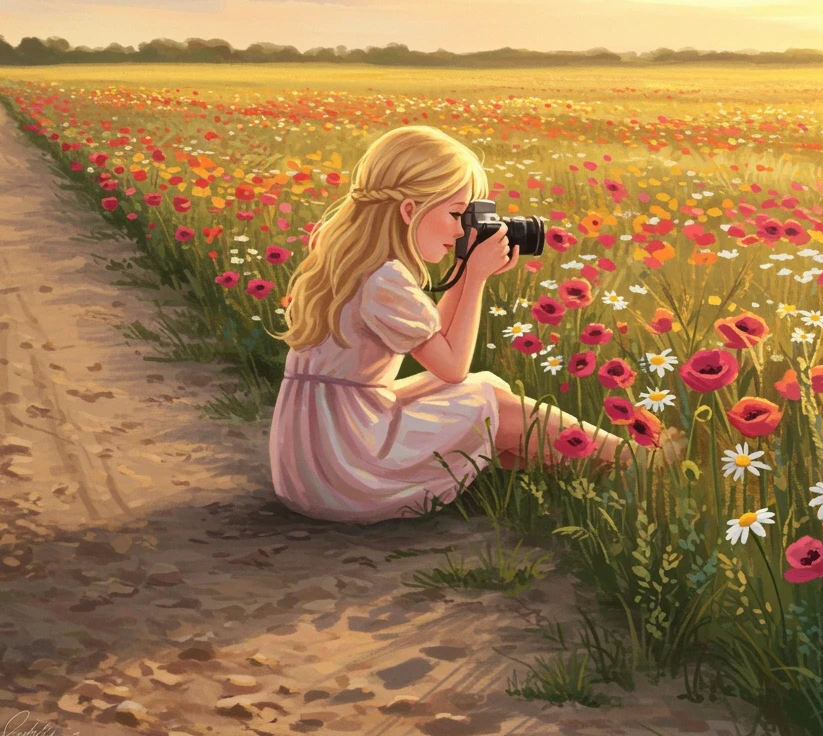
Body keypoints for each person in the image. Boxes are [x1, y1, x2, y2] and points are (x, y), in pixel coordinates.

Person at [265, 125, 643, 525]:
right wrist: (475, 278)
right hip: (349, 470)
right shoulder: (385, 281)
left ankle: (590, 471)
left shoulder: (351, 260)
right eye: (455, 214)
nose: (463, 229)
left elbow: (433, 341)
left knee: (484, 388)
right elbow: (451, 366)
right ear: (409, 210)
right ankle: (631, 462)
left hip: (311, 461)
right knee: (483, 396)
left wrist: (464, 272)